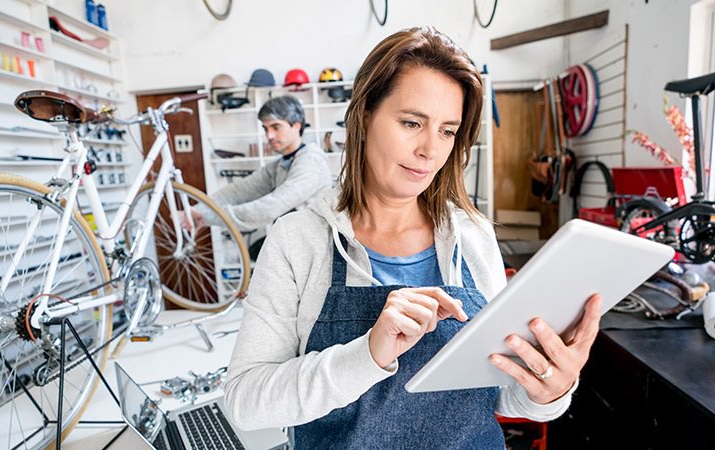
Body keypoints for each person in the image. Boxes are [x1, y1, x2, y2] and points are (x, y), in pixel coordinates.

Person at [224, 27, 602, 449]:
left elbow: (502, 394)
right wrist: (367, 354)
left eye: (447, 131)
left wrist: (550, 390)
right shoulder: (298, 240)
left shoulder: (472, 236)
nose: (430, 150)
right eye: (411, 122)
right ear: (365, 115)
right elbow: (244, 401)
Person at [187, 95, 332, 237]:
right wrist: (195, 210)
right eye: (266, 128)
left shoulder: (311, 161)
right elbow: (239, 191)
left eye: (276, 127)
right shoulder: (280, 164)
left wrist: (206, 216)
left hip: (316, 251)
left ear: (296, 126)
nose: (269, 135)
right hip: (294, 244)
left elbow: (270, 208)